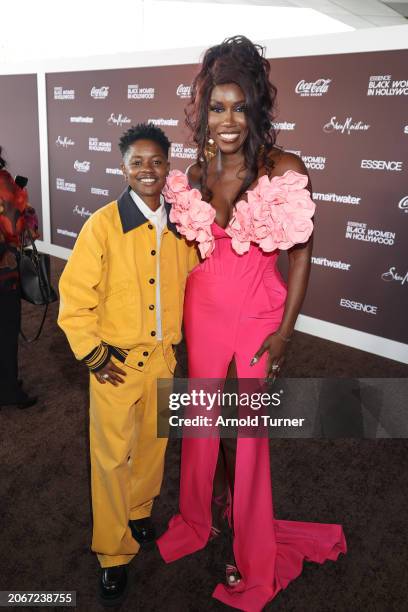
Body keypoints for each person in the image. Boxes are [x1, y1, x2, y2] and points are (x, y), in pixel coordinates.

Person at [157, 36, 346, 611]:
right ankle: (196, 520)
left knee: (250, 438)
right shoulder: (191, 173)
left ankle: (254, 550)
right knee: (200, 424)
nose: (229, 119)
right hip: (203, 310)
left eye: (241, 107)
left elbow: (303, 254)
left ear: (257, 110)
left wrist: (287, 330)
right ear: (203, 113)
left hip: (260, 310)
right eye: (218, 108)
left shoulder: (284, 170)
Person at [58, 124, 198, 606]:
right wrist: (95, 355)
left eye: (156, 161)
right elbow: (74, 300)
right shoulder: (102, 225)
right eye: (137, 162)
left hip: (163, 360)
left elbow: (197, 284)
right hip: (115, 366)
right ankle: (113, 553)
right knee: (111, 458)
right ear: (123, 167)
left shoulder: (184, 224)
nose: (147, 170)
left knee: (154, 446)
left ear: (168, 165)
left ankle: (140, 510)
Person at [0, 146, 38, 409]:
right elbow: (15, 227)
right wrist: (24, 204)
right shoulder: (3, 182)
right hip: (3, 275)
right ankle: (8, 391)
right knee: (5, 333)